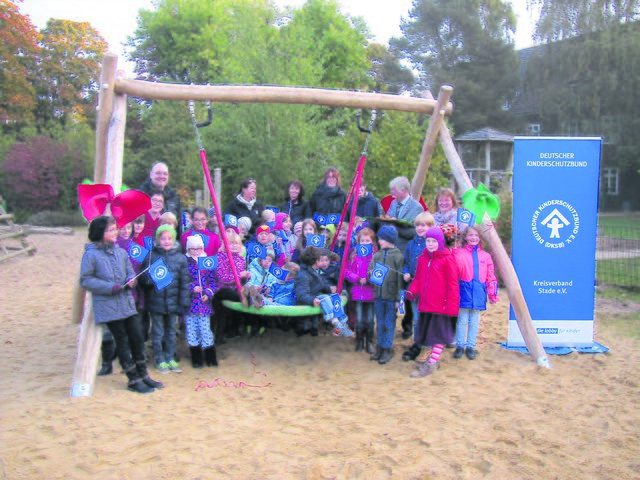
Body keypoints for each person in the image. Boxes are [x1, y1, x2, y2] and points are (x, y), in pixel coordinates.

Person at [79, 216, 163, 394]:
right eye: (111, 230)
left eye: (115, 228)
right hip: (108, 304)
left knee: (137, 337)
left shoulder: (121, 252)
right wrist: (110, 287)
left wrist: (130, 280)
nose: (115, 232)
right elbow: (86, 280)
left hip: (126, 301)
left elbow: (130, 271)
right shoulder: (91, 254)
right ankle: (133, 378)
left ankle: (144, 374)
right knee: (122, 340)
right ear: (100, 233)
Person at [406, 226, 460, 378]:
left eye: (433, 241)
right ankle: (432, 360)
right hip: (426, 305)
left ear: (440, 242)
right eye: (428, 241)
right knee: (428, 335)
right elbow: (418, 279)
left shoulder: (447, 259)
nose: (430, 244)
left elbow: (452, 285)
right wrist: (412, 291)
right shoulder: (423, 259)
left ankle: (431, 363)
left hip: (441, 306)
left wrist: (451, 306)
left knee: (438, 336)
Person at [140, 225, 190, 374]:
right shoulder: (151, 256)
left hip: (173, 303)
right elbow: (143, 278)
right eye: (163, 238)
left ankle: (170, 357)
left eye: (169, 238)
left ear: (173, 239)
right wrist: (151, 279)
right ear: (158, 240)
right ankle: (159, 359)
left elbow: (184, 282)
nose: (166, 241)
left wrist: (184, 301)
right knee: (157, 332)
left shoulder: (180, 258)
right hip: (156, 302)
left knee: (170, 331)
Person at [453, 226, 499, 360]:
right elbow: (453, 271)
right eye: (471, 235)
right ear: (465, 237)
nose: (473, 238)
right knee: (461, 320)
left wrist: (492, 293)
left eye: (476, 235)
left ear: (480, 238)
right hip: (463, 290)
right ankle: (460, 345)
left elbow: (491, 276)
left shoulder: (486, 256)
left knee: (474, 321)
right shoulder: (458, 253)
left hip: (478, 292)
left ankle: (470, 346)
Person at [295, 246, 354, 337]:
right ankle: (335, 321)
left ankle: (341, 326)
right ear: (317, 261)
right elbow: (301, 294)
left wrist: (329, 288)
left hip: (317, 294)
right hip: (309, 299)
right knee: (325, 298)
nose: (322, 262)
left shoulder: (316, 271)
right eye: (320, 259)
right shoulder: (304, 275)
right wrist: (312, 300)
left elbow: (323, 283)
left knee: (335, 298)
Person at [401, 211, 436, 362]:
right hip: (413, 286)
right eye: (418, 226)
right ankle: (418, 343)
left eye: (424, 226)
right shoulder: (411, 244)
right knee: (416, 317)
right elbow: (406, 263)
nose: (421, 228)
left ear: (431, 227)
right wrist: (406, 272)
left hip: (428, 287)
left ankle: (428, 345)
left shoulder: (433, 244)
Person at [368, 225, 404, 365]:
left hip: (391, 297)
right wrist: (370, 273)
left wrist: (399, 299)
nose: (379, 241)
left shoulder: (398, 256)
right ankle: (380, 347)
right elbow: (371, 269)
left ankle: (387, 349)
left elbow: (400, 280)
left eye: (381, 239)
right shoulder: (377, 255)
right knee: (380, 323)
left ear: (389, 239)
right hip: (378, 296)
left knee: (389, 324)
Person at [184, 235, 218, 369]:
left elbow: (214, 282)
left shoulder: (207, 262)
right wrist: (192, 287)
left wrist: (208, 293)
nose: (196, 251)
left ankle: (210, 357)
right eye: (193, 249)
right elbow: (182, 281)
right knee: (191, 331)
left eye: (198, 248)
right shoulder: (185, 262)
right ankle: (196, 358)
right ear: (188, 249)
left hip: (203, 305)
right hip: (190, 304)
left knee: (205, 331)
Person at [345, 227, 377, 354]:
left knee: (369, 319)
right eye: (362, 241)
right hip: (358, 292)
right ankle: (359, 341)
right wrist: (357, 278)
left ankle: (369, 341)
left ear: (372, 242)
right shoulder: (354, 256)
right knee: (358, 318)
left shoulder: (375, 257)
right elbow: (347, 271)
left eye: (367, 240)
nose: (364, 243)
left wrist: (368, 279)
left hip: (371, 293)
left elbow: (379, 274)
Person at [139, 162, 182, 233]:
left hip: (168, 242)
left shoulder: (174, 197)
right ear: (151, 175)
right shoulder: (139, 196)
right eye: (158, 173)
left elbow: (178, 224)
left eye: (165, 174)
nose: (162, 176)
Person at [387, 176, 425, 253]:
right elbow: (387, 220)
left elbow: (415, 232)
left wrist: (396, 225)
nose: (391, 194)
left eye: (394, 190)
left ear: (403, 191)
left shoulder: (417, 208)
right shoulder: (393, 203)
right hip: (390, 250)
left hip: (406, 251)